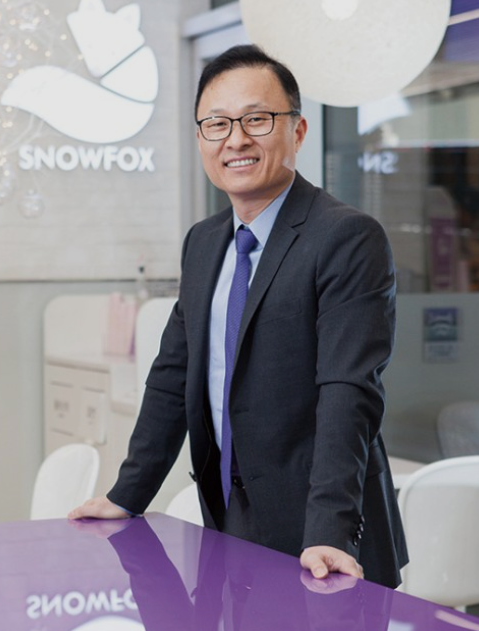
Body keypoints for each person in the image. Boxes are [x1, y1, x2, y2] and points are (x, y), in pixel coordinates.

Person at [69, 44, 408, 588]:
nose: (236, 139)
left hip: (324, 539)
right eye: (217, 123)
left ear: (297, 131)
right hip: (227, 521)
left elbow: (349, 391)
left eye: (256, 119)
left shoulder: (345, 237)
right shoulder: (204, 243)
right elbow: (172, 375)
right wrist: (126, 494)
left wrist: (328, 529)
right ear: (201, 138)